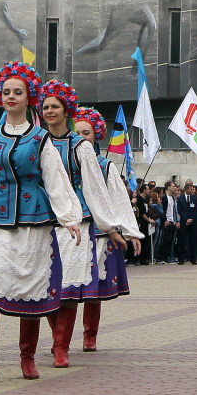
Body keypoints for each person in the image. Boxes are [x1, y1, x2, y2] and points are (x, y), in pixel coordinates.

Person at [0, 62, 83, 382]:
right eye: (6, 91)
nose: (11, 96)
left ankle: (28, 358)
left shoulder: (40, 138)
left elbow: (55, 179)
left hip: (33, 220)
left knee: (28, 288)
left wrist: (69, 217)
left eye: (17, 92)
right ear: (0, 96)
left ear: (28, 98)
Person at [38, 84, 127, 369]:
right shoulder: (36, 142)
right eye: (46, 107)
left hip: (79, 221)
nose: (50, 111)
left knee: (69, 287)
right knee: (47, 285)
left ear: (67, 110)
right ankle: (57, 339)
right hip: (44, 219)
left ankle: (61, 347)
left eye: (55, 106)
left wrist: (111, 228)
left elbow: (95, 189)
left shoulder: (80, 146)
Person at [72, 106, 143, 354]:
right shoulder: (60, 160)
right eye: (77, 132)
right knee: (63, 290)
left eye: (86, 132)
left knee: (92, 292)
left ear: (96, 135)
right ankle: (61, 339)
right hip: (70, 232)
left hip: (99, 234)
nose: (82, 137)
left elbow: (119, 199)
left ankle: (89, 336)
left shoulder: (105, 166)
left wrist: (131, 231)